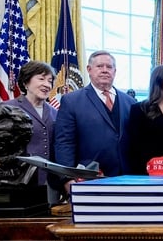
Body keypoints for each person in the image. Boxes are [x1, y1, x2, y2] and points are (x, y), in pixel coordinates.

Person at [0, 61, 62, 241]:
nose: (47, 84)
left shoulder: (55, 112)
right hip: (18, 187)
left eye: (50, 80)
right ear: (26, 82)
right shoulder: (8, 108)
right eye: (41, 79)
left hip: (48, 186)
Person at [54, 50, 137, 192]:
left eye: (109, 67)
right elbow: (64, 142)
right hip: (89, 179)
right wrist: (67, 178)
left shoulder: (130, 102)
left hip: (127, 179)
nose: (105, 70)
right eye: (100, 66)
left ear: (115, 71)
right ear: (89, 70)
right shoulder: (72, 101)